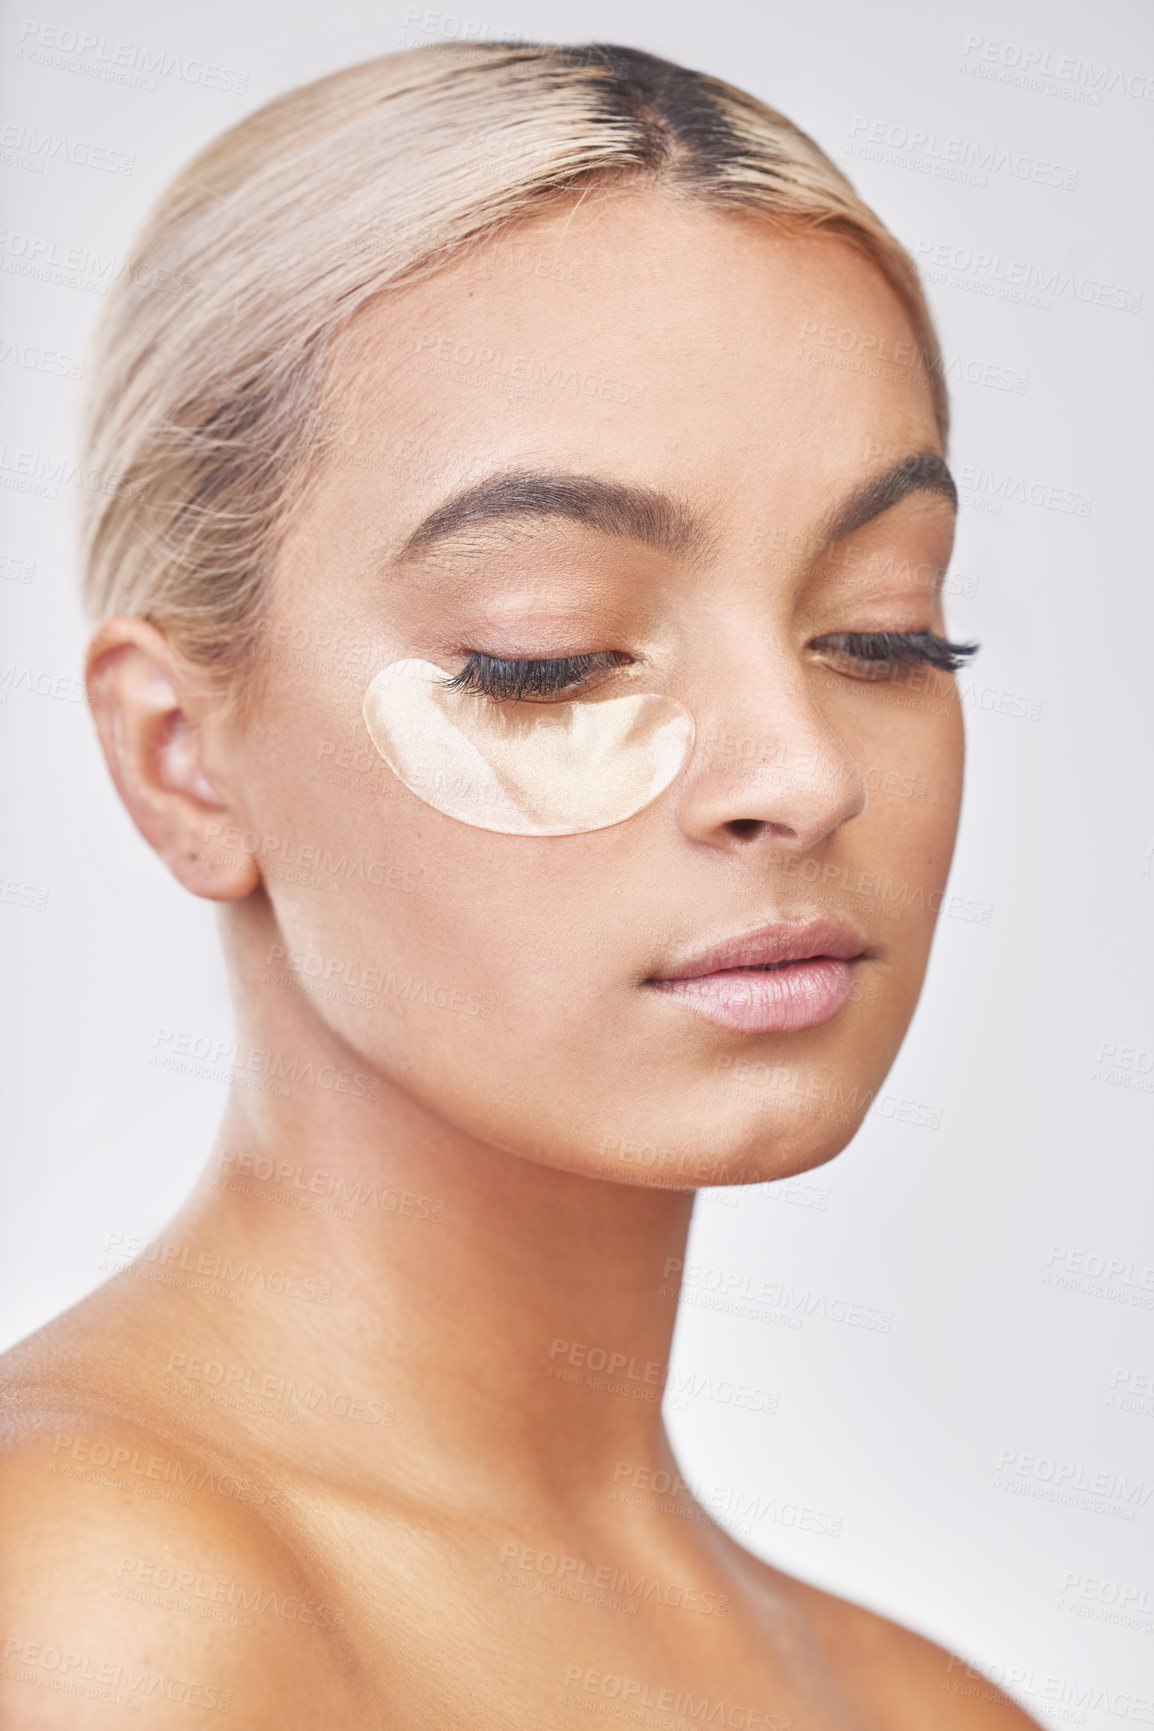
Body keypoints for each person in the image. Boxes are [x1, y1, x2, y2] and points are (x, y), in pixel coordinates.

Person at [0, 42, 1041, 1727]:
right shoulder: (92, 1603)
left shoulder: (925, 1707)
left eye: (882, 629)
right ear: (181, 755)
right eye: (546, 655)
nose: (803, 770)